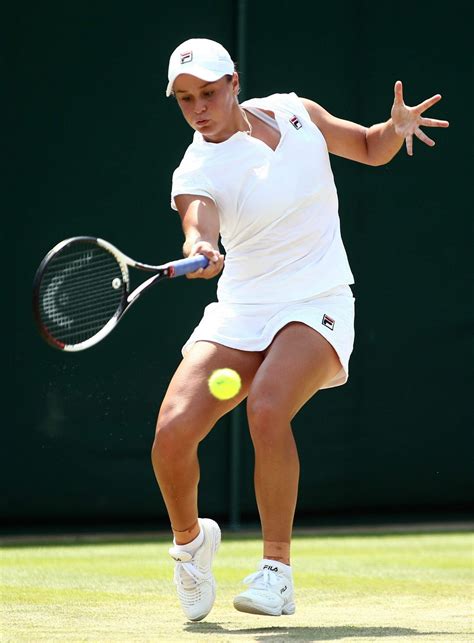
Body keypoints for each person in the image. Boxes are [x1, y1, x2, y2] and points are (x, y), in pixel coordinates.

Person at [151, 38, 449, 621]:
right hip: (242, 310)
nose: (199, 108)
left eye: (209, 92)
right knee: (171, 435)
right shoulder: (195, 170)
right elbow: (197, 222)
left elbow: (366, 145)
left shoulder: (296, 111)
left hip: (317, 300)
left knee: (266, 408)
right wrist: (201, 246)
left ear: (234, 82)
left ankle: (276, 573)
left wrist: (393, 129)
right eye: (185, 99)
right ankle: (191, 546)